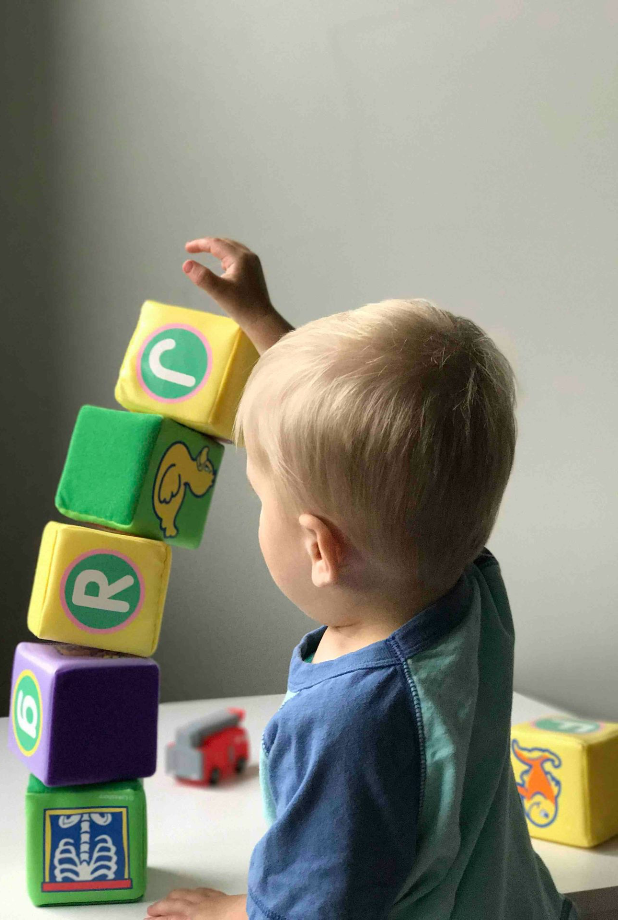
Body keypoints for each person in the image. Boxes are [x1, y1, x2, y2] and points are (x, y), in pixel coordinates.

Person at [144, 238, 579, 920]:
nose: (261, 510)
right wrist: (264, 326)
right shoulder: (466, 588)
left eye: (263, 498)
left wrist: (234, 911)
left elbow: (316, 909)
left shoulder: (349, 723)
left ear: (320, 547)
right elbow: (374, 456)